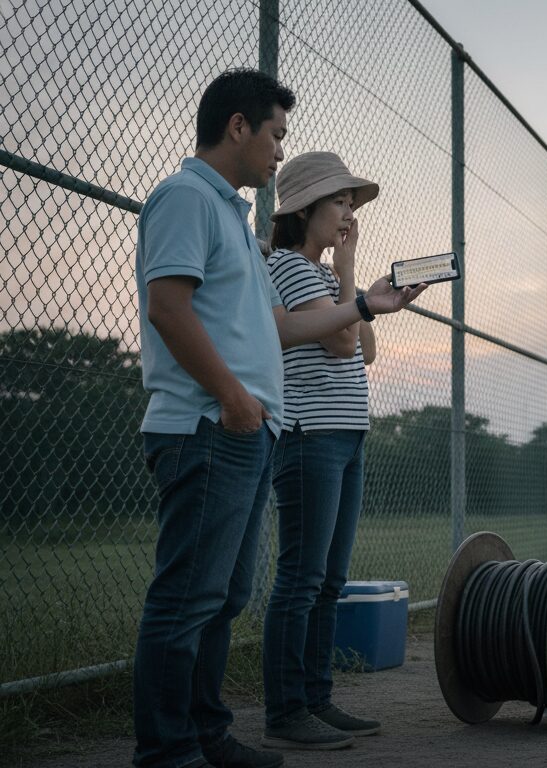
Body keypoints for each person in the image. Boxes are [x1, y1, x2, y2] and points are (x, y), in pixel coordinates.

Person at [132, 69, 424, 768]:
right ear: (239, 126)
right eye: (276, 136)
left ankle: (206, 736)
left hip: (244, 429)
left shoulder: (229, 216)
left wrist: (363, 305)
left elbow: (279, 331)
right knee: (188, 598)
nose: (279, 153)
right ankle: (168, 753)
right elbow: (167, 308)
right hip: (209, 424)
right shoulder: (183, 199)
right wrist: (233, 398)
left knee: (224, 596)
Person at [260, 152, 386, 750]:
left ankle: (316, 699)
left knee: (330, 578)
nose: (347, 212)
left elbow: (366, 352)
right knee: (302, 578)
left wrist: (349, 270)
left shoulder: (329, 277)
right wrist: (351, 283)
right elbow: (342, 342)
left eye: (350, 203)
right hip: (310, 436)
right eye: (338, 201)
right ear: (304, 209)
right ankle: (286, 710)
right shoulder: (285, 265)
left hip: (345, 435)